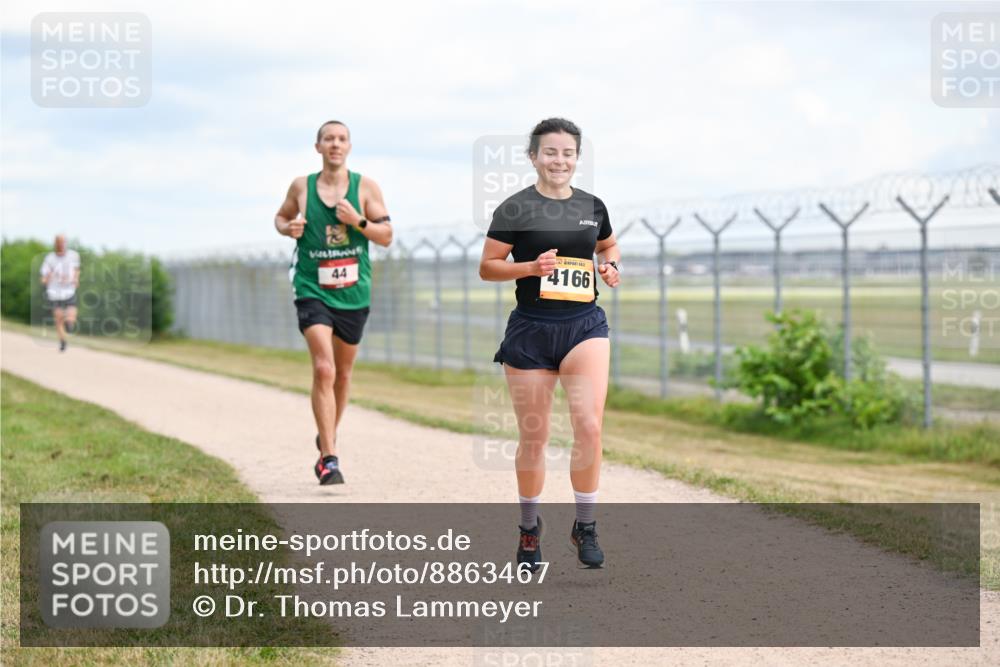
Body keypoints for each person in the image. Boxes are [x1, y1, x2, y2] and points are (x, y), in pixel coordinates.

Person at [478, 118, 621, 570]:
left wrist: (610, 267)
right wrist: (529, 269)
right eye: (550, 152)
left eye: (568, 153)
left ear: (577, 158)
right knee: (534, 437)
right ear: (533, 157)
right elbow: (488, 266)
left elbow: (608, 246)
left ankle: (586, 525)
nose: (559, 160)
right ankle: (528, 530)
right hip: (531, 332)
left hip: (584, 326)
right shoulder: (515, 209)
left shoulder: (593, 206)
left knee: (589, 427)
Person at [274, 120, 393, 485]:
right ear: (318, 147)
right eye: (329, 139)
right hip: (312, 287)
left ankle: (327, 434)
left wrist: (357, 221)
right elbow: (281, 217)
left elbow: (386, 235)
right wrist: (287, 228)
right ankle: (329, 458)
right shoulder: (302, 186)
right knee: (324, 369)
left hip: (354, 293)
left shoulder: (365, 187)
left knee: (342, 374)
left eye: (341, 139)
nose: (335, 144)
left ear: (349, 146)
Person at [39, 235, 81, 353]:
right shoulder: (50, 259)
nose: (62, 245)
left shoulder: (73, 255)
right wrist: (48, 278)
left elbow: (77, 269)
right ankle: (63, 341)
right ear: (56, 244)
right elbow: (43, 278)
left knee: (70, 317)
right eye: (59, 243)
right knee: (58, 318)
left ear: (66, 243)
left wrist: (76, 279)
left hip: (69, 291)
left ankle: (69, 325)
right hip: (54, 293)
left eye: (63, 242)